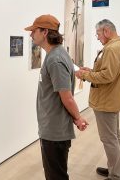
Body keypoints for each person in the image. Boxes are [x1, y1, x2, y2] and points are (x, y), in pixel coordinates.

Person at [24, 14, 88, 180]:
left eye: (34, 31)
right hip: (52, 127)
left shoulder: (55, 60)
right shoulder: (56, 54)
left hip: (54, 131)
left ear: (45, 32)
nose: (31, 35)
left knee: (56, 176)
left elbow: (66, 97)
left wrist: (78, 118)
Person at [75, 19, 120, 180]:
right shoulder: (118, 46)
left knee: (109, 139)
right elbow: (107, 71)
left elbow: (107, 75)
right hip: (111, 99)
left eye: (98, 33)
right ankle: (117, 168)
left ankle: (116, 176)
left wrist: (84, 75)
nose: (97, 37)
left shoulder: (112, 49)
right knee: (114, 136)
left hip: (106, 101)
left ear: (106, 31)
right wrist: (91, 71)